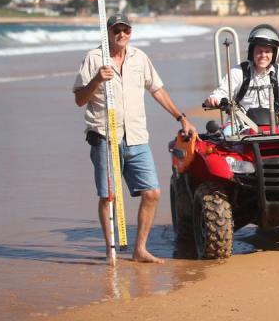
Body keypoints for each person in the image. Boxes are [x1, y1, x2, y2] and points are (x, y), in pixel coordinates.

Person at [73, 13, 196, 264]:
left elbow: (157, 89)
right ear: (108, 33)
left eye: (125, 30)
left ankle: (140, 249)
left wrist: (180, 117)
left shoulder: (140, 58)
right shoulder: (94, 58)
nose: (121, 34)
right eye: (116, 30)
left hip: (137, 136)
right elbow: (79, 99)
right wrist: (97, 79)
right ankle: (111, 250)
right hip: (105, 135)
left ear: (131, 32)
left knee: (151, 193)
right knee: (109, 196)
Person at [204, 24, 279, 124]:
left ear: (274, 54)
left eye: (267, 51)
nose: (263, 55)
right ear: (251, 52)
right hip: (238, 129)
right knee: (225, 134)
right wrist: (214, 99)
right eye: (259, 51)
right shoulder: (238, 72)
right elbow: (222, 91)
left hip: (270, 128)